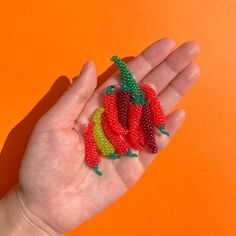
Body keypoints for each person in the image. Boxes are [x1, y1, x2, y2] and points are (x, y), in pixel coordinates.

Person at [0, 38, 200, 235]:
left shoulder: (129, 108)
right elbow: (107, 123)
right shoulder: (105, 117)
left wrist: (30, 217)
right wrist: (30, 215)